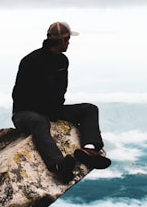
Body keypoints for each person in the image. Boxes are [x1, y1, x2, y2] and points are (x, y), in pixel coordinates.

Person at [12, 21, 111, 181]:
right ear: (62, 41)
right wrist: (47, 109)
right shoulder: (31, 61)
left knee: (89, 109)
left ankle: (89, 150)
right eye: (68, 40)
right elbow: (19, 95)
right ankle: (58, 165)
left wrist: (54, 108)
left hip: (51, 108)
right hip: (24, 112)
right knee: (40, 121)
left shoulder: (62, 61)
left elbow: (60, 90)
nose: (69, 43)